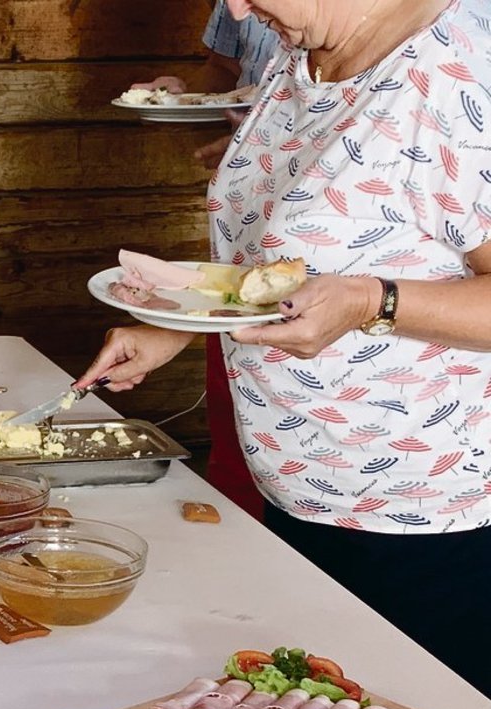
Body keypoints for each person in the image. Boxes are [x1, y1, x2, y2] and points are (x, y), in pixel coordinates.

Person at [79, 0, 491, 695]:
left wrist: (372, 301)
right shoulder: (305, 60)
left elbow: (362, 278)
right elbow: (281, 256)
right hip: (299, 499)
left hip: (422, 523)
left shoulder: (455, 80)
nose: (235, 8)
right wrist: (179, 325)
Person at [131, 4, 283, 518]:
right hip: (249, 225)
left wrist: (266, 150)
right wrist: (189, 95)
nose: (237, 7)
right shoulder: (241, 6)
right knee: (238, 402)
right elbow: (224, 76)